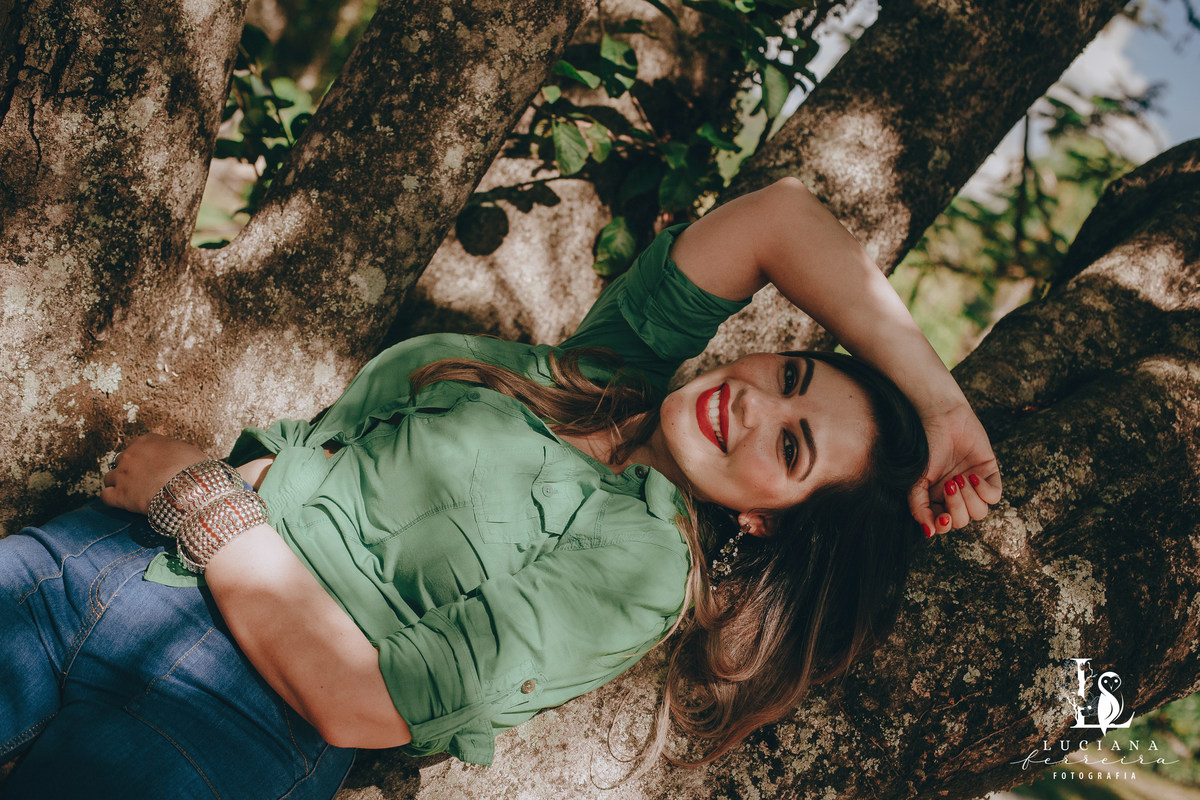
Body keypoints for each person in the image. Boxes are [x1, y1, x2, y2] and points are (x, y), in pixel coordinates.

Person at [0, 178, 1000, 798]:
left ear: (763, 518)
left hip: (225, 717)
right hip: (96, 567)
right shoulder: (607, 375)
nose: (752, 407)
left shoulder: (643, 563)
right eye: (789, 377)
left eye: (792, 448)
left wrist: (206, 500)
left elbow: (359, 702)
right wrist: (940, 407)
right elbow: (780, 216)